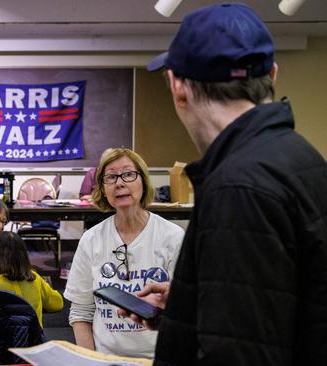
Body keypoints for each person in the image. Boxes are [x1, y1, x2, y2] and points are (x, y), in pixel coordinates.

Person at [130, 3, 327, 365]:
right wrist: (194, 303)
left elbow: (240, 355)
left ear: (178, 87)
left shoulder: (238, 187)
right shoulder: (301, 160)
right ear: (273, 74)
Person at [63, 148, 184, 358]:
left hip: (159, 358)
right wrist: (92, 362)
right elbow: (81, 312)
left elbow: (185, 311)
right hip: (106, 358)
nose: (119, 183)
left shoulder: (172, 237)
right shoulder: (91, 240)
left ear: (143, 181)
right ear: (102, 188)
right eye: (110, 177)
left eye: (128, 174)